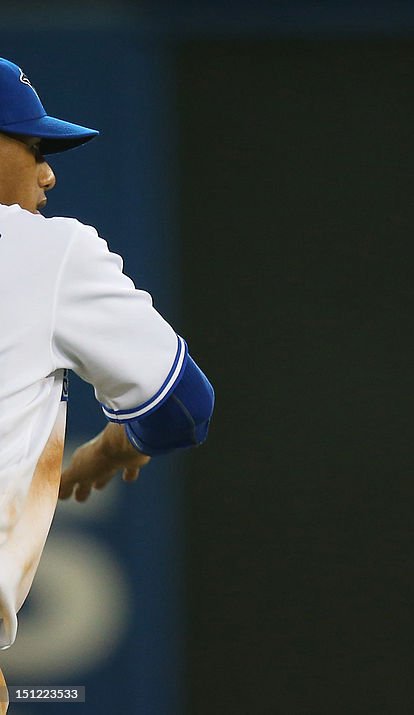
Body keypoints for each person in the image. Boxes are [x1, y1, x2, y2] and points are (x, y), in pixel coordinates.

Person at [0, 57, 213, 707]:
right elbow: (182, 405)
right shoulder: (40, 249)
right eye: (32, 145)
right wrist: (117, 445)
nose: (48, 171)